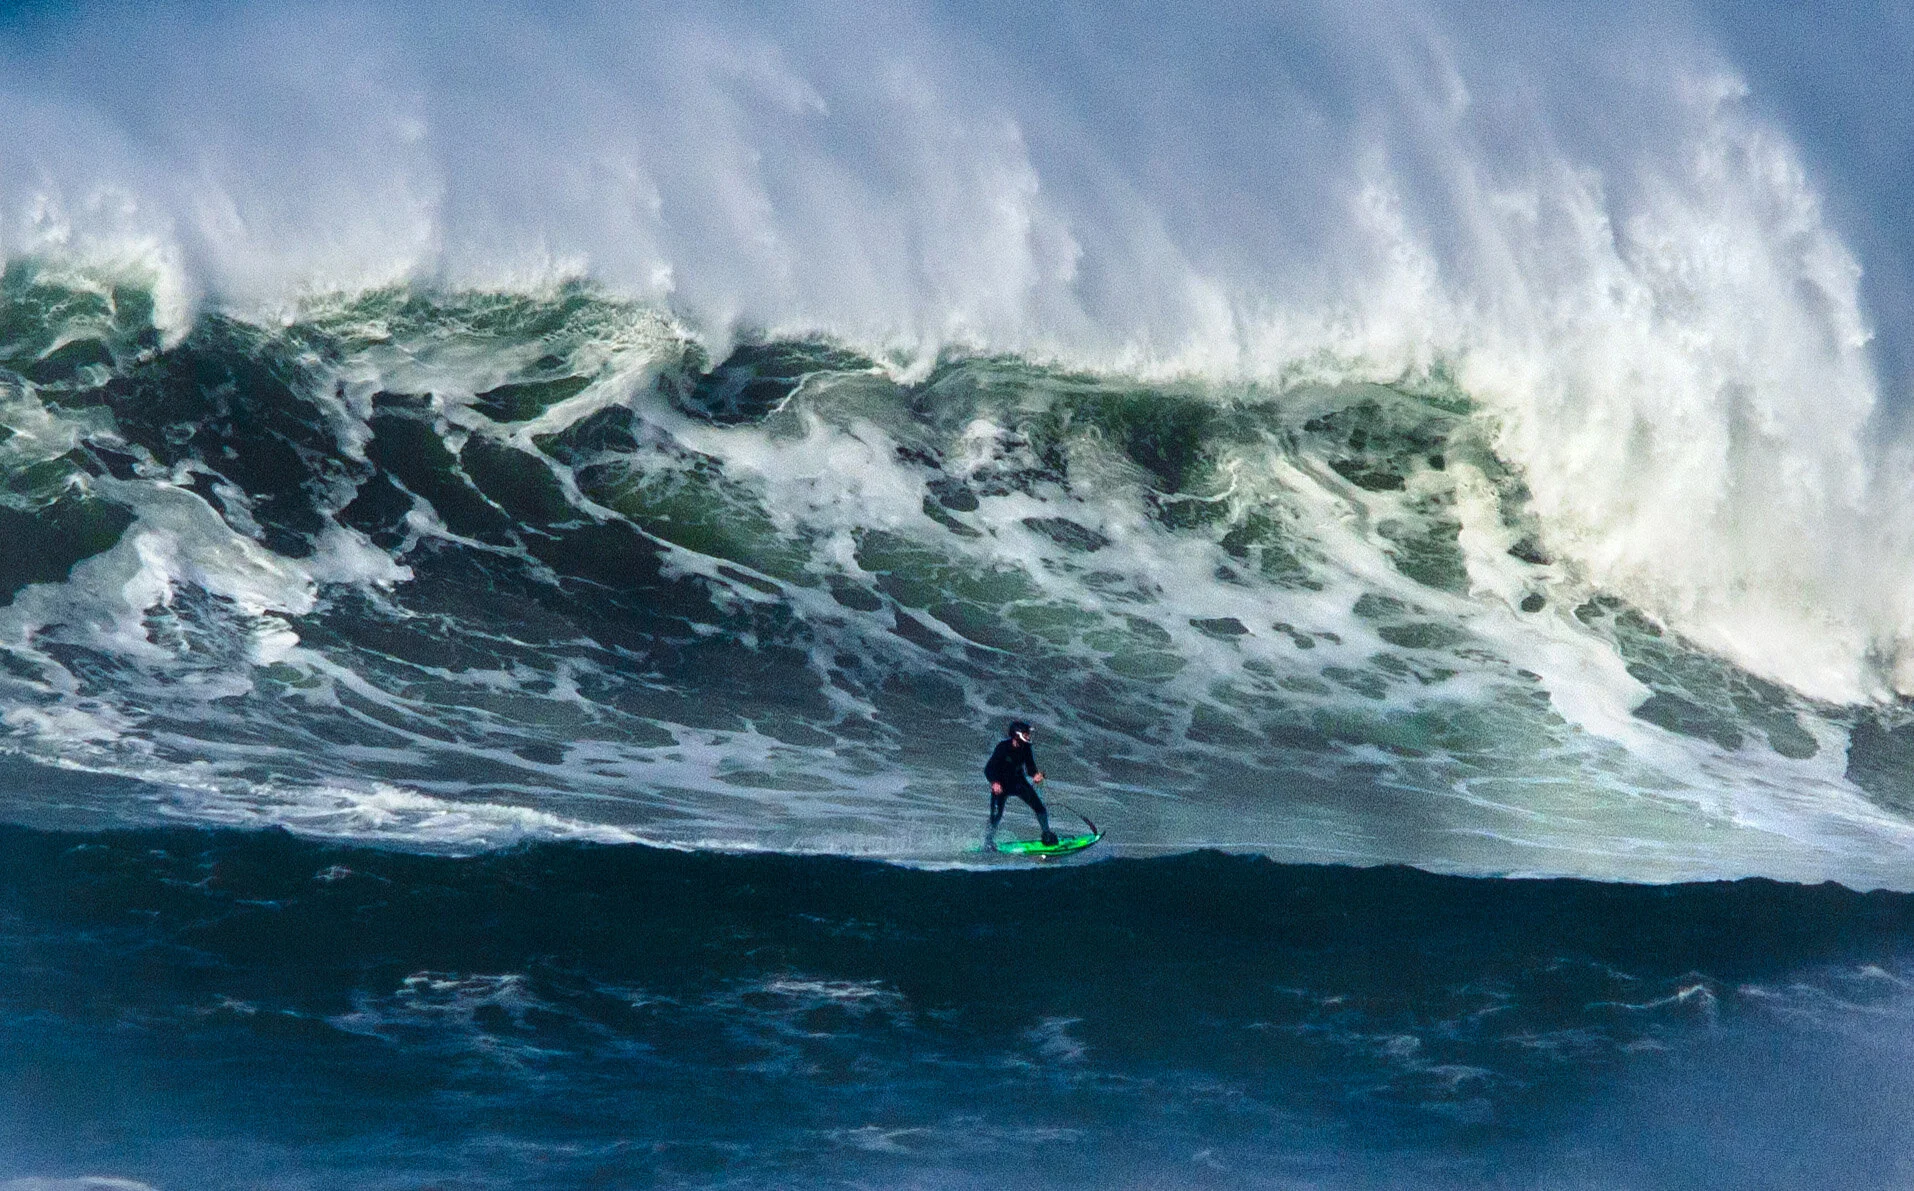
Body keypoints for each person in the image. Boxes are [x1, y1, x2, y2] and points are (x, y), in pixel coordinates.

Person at [984, 719, 1057, 849]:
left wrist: (1035, 775)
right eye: (1026, 733)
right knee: (996, 815)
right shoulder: (1003, 747)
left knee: (1039, 807)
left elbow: (1030, 767)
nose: (1029, 736)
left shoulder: (1026, 747)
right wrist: (994, 783)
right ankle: (988, 842)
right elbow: (989, 768)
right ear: (1017, 734)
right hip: (1001, 785)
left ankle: (1046, 833)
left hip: (1018, 783)